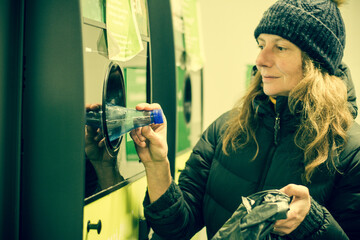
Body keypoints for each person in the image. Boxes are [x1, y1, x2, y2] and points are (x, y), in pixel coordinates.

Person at [130, 0, 360, 239]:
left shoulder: (351, 152)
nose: (261, 59)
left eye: (280, 47)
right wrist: (157, 164)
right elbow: (176, 228)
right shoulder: (227, 129)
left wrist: (312, 222)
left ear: (316, 63)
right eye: (261, 45)